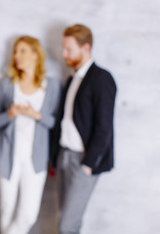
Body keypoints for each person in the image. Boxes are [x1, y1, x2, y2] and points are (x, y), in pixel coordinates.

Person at [0, 35, 61, 234]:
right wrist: (10, 114)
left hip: (35, 159)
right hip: (7, 156)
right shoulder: (6, 85)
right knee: (6, 212)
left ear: (36, 55)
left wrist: (36, 115)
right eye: (15, 51)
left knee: (28, 214)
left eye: (22, 51)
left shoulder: (51, 86)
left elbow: (56, 122)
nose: (17, 56)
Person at [53, 24, 117, 234]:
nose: (64, 54)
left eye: (69, 49)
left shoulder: (102, 79)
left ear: (85, 48)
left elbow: (104, 126)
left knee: (67, 225)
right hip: (64, 156)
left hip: (83, 160)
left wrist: (89, 164)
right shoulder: (72, 79)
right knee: (68, 218)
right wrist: (55, 157)